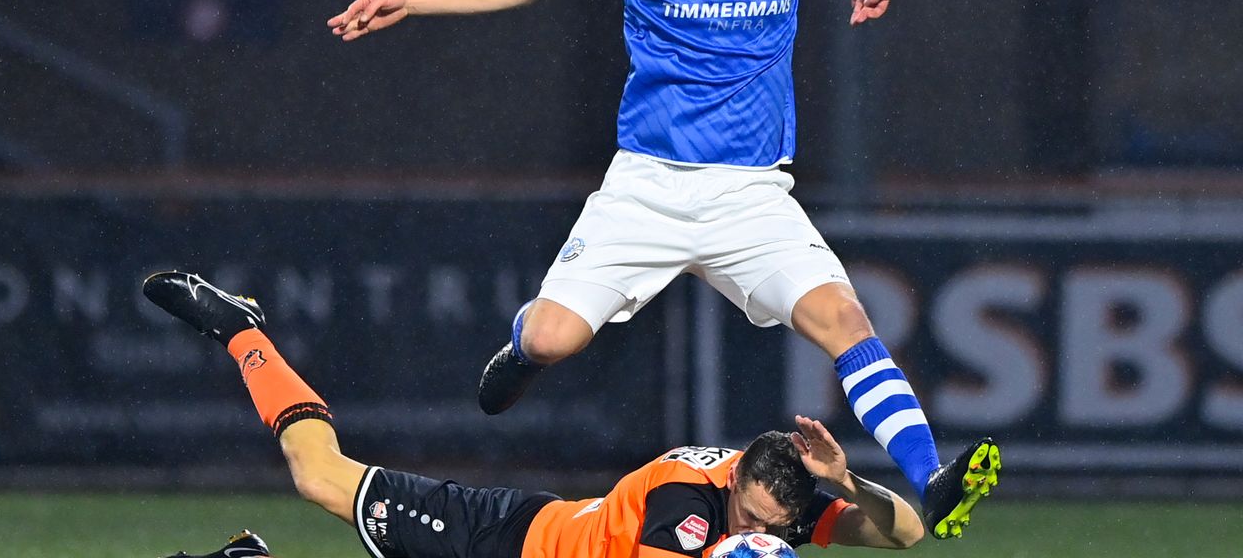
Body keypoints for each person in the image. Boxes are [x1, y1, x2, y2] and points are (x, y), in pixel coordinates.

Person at [326, 0, 998, 538]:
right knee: (556, 340)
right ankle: (522, 347)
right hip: (647, 189)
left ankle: (931, 477)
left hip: (751, 196)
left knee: (846, 323)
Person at [142, 271, 994, 558]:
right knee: (318, 476)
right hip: (501, 538)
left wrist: (854, 486)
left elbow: (908, 534)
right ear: (734, 483)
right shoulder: (684, 505)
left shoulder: (781, 502)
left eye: (778, 521)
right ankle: (242, 329)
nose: (762, 526)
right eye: (755, 518)